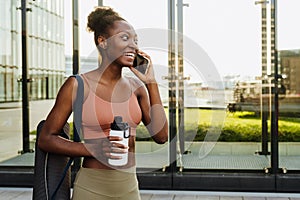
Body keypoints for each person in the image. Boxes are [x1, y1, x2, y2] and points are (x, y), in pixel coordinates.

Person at [38, 6, 168, 200]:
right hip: (91, 188)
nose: (133, 45)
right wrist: (91, 149)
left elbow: (162, 135)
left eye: (135, 40)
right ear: (103, 42)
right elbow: (46, 138)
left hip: (129, 188)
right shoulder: (77, 85)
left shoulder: (137, 87)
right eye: (125, 38)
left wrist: (151, 83)